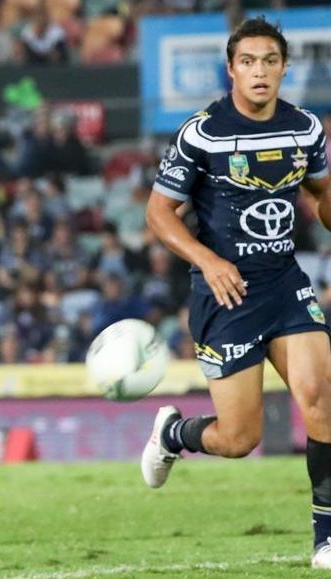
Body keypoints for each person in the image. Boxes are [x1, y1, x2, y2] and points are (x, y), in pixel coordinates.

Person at [140, 17, 331, 570]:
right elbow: (159, 213)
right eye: (248, 62)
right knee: (239, 438)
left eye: (270, 61)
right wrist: (208, 259)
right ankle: (176, 432)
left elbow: (322, 198)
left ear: (284, 68)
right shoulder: (202, 133)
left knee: (322, 399)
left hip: (285, 284)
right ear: (231, 69)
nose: (259, 71)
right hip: (225, 294)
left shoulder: (305, 129)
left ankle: (325, 539)